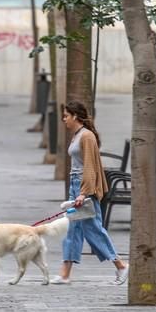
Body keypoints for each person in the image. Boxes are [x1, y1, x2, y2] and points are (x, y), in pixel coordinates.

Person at [49, 100, 129, 286]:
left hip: (85, 188)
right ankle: (65, 274)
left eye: (66, 116)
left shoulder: (87, 136)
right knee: (72, 228)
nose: (64, 119)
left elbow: (90, 166)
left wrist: (84, 193)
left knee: (93, 229)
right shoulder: (77, 135)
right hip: (76, 186)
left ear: (75, 116)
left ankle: (121, 265)